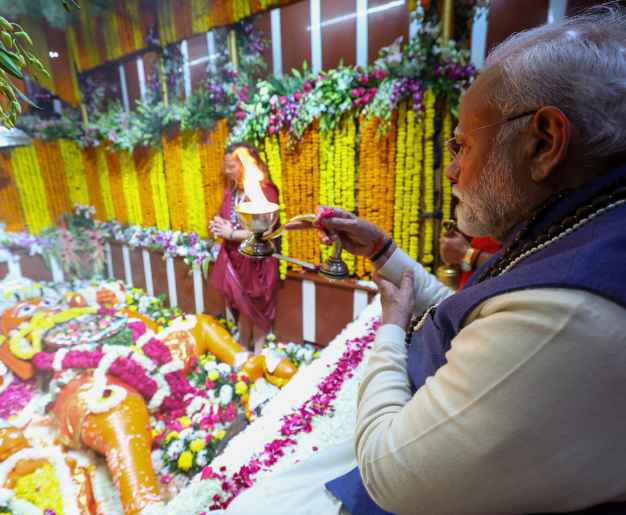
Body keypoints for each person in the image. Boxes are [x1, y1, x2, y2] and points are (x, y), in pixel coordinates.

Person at [221, 6, 626, 514]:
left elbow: (391, 474)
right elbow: (471, 315)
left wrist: (389, 328)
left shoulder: (571, 315)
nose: (453, 171)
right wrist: (382, 252)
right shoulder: (579, 224)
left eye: (462, 146)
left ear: (543, 142)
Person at [209, 143, 279, 355]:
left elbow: (264, 229)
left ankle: (257, 353)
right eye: (226, 166)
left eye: (231, 166)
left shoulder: (264, 190)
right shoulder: (231, 191)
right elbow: (225, 218)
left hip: (257, 260)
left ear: (247, 165)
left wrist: (231, 234)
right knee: (243, 307)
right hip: (234, 258)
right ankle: (242, 348)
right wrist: (217, 226)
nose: (227, 171)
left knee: (257, 307)